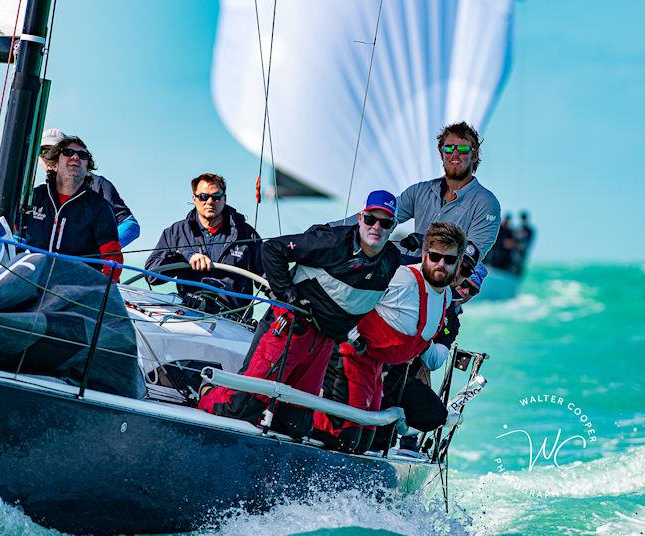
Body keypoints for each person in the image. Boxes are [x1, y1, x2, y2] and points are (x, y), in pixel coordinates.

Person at [198, 190, 402, 439]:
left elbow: (428, 265)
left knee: (297, 424)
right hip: (290, 326)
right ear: (360, 218)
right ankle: (206, 390)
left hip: (323, 341)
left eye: (386, 223)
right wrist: (287, 294)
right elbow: (272, 248)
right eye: (371, 219)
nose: (376, 227)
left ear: (393, 227)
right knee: (243, 405)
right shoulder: (330, 242)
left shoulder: (391, 258)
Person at [314, 222, 467, 454]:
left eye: (449, 260)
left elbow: (425, 348)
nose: (441, 265)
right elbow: (347, 294)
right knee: (342, 436)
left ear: (458, 261)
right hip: (349, 359)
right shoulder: (403, 278)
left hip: (377, 370)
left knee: (366, 441)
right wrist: (351, 334)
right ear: (425, 254)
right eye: (435, 256)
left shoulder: (445, 297)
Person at [144, 173, 262, 312]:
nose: (210, 201)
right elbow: (151, 276)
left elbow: (267, 279)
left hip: (234, 322)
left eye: (216, 197)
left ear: (224, 199)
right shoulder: (175, 232)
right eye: (203, 196)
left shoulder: (247, 234)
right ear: (194, 198)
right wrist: (185, 255)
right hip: (188, 318)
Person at [25, 135, 124, 281]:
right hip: (30, 282)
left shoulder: (100, 208)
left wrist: (100, 292)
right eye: (68, 153)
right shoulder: (33, 197)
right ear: (55, 164)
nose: (76, 157)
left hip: (73, 291)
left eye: (82, 155)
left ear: (87, 168)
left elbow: (113, 259)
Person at [396, 122, 501, 259]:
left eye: (463, 149)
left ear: (474, 157)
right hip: (411, 273)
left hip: (449, 278)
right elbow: (381, 215)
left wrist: (425, 241)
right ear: (442, 154)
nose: (455, 154)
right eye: (449, 148)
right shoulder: (419, 191)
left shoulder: (486, 203)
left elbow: (471, 255)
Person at [39, 128, 140, 247]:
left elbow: (130, 225)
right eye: (44, 153)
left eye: (57, 151)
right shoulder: (39, 194)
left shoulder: (97, 184)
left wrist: (96, 252)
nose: (50, 157)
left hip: (81, 265)